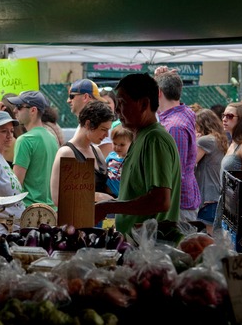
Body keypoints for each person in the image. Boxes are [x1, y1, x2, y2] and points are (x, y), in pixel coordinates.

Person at [94, 73, 181, 234]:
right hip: (135, 246)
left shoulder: (154, 139)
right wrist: (111, 201)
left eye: (122, 103)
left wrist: (108, 207)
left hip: (151, 249)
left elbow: (160, 200)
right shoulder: (140, 137)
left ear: (143, 104)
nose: (117, 111)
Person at [155, 67, 200, 223]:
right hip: (180, 201)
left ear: (159, 93)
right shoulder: (184, 111)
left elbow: (175, 173)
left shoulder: (174, 127)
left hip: (178, 205)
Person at [51, 100, 113, 207]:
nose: (106, 135)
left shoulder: (96, 151)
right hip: (77, 221)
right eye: (103, 129)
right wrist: (97, 196)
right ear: (88, 124)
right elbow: (57, 198)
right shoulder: (67, 153)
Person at [6, 91, 59, 209]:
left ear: (33, 110)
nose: (14, 110)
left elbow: (16, 185)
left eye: (19, 107)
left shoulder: (25, 140)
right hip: (51, 211)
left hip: (31, 211)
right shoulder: (51, 137)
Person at [213, 102, 242, 231]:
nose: (224, 119)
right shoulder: (233, 143)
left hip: (236, 208)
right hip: (225, 203)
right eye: (224, 115)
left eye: (230, 116)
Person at [194, 109, 228, 235]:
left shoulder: (205, 141)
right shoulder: (219, 139)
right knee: (214, 235)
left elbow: (190, 163)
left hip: (207, 196)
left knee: (208, 237)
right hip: (216, 194)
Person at [105, 124, 134, 197]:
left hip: (124, 196)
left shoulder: (132, 159)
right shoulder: (111, 156)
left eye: (122, 145)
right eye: (114, 143)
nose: (117, 147)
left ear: (132, 143)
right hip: (109, 194)